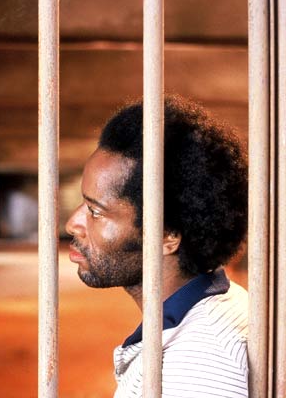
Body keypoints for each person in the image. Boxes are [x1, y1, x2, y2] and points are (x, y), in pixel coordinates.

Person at [65, 95, 249, 397]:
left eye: (95, 211)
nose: (73, 223)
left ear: (166, 235)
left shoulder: (198, 367)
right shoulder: (216, 307)